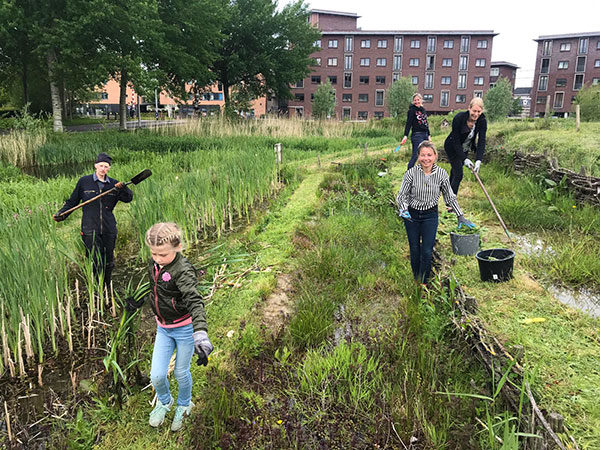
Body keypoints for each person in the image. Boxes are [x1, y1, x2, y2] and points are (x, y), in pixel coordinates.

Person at [126, 222, 213, 431]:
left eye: (163, 255)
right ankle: (165, 402)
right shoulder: (154, 264)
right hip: (163, 328)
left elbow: (194, 300)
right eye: (154, 253)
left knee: (180, 373)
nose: (157, 259)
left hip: (183, 329)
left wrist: (200, 332)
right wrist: (140, 300)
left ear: (178, 247)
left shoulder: (183, 270)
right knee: (157, 375)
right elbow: (157, 289)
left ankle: (184, 405)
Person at [396, 141, 475, 284]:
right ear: (418, 156)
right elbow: (402, 195)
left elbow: (449, 196)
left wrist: (460, 215)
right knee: (414, 249)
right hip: (411, 215)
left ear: (435, 156)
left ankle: (424, 282)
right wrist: (403, 209)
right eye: (422, 155)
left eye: (429, 155)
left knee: (426, 251)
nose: (426, 158)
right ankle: (416, 280)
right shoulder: (410, 174)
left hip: (430, 215)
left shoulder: (441, 174)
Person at [53, 153, 133, 287]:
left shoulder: (114, 184)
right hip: (90, 228)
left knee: (108, 260)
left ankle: (107, 286)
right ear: (95, 166)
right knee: (94, 260)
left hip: (109, 227)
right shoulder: (84, 182)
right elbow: (73, 201)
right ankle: (96, 287)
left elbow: (128, 198)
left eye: (106, 167)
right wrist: (62, 214)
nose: (103, 169)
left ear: (109, 168)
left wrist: (124, 188)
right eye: (101, 166)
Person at [444, 97, 487, 195]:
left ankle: (448, 194)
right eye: (474, 111)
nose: (476, 114)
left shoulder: (482, 121)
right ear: (469, 108)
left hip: (465, 147)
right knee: (459, 173)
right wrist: (464, 159)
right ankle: (451, 203)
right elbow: (456, 141)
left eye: (479, 111)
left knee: (455, 171)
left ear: (482, 111)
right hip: (452, 146)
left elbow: (481, 141)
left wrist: (478, 160)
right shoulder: (459, 118)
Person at [401, 93, 431, 169]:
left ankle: (422, 173)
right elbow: (408, 123)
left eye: (418, 100)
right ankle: (408, 174)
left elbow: (425, 123)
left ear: (421, 100)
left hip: (425, 134)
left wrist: (429, 135)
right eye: (415, 100)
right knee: (416, 155)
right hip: (417, 135)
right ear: (413, 101)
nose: (416, 102)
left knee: (425, 155)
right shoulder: (411, 111)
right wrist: (405, 135)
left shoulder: (423, 110)